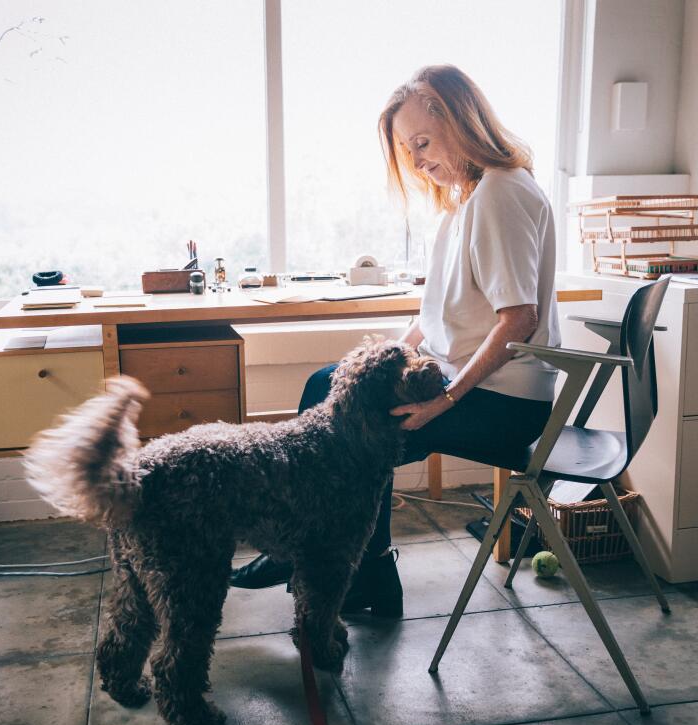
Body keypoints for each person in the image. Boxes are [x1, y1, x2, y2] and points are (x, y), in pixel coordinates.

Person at [230, 64, 560, 617]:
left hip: (505, 403)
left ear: (462, 120)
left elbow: (518, 319)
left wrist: (442, 403)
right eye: (410, 151)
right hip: (464, 381)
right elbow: (435, 319)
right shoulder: (467, 199)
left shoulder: (502, 193)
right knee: (330, 385)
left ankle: (335, 560)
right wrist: (377, 358)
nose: (419, 160)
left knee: (351, 429)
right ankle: (337, 559)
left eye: (423, 142)